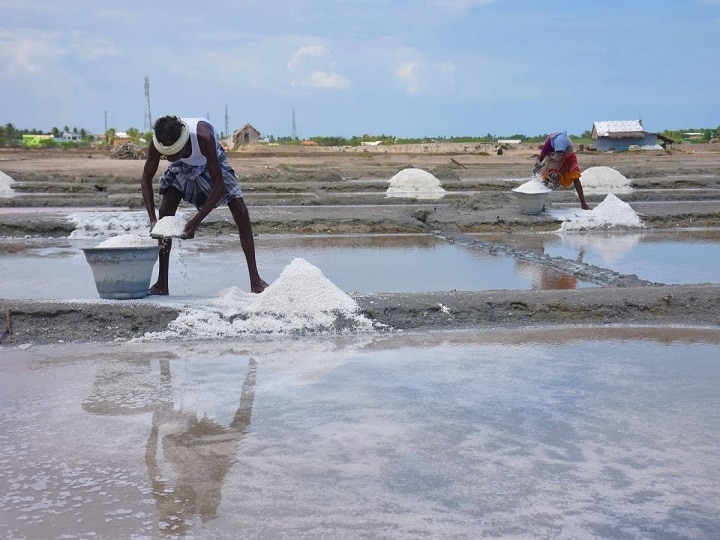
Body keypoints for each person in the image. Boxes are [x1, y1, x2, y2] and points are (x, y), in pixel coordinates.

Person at [140, 115, 268, 295]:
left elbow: (219, 187)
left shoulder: (203, 138)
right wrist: (154, 221)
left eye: (171, 153)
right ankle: (162, 283)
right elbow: (145, 179)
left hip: (210, 161)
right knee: (165, 211)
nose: (166, 158)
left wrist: (194, 223)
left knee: (240, 210)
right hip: (182, 165)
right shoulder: (158, 144)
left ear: (182, 143)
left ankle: (256, 280)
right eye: (165, 154)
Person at [533, 131, 590, 210]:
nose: (560, 154)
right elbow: (540, 158)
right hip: (552, 158)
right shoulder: (549, 144)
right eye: (558, 152)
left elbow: (569, 164)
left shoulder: (569, 145)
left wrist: (560, 173)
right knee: (544, 178)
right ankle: (541, 205)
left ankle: (584, 205)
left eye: (561, 152)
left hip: (566, 159)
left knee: (575, 176)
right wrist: (537, 167)